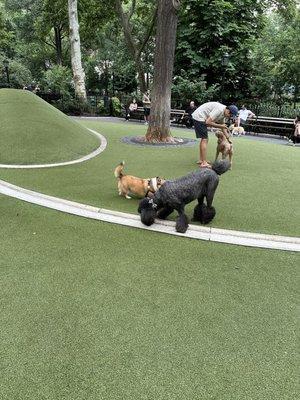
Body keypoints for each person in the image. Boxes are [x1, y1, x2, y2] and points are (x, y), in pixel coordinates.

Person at [192, 102, 238, 168]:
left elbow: (223, 127)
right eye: (230, 114)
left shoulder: (223, 113)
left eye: (231, 116)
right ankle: (203, 162)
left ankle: (201, 160)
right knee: (205, 139)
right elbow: (208, 122)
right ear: (227, 110)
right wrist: (220, 126)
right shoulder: (219, 110)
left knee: (204, 139)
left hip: (201, 117)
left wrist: (228, 138)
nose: (229, 116)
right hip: (199, 117)